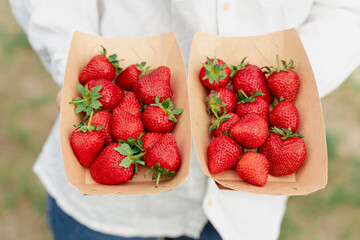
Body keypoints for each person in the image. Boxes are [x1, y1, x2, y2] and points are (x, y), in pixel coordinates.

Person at [9, 1, 360, 239]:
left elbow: (345, 8)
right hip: (109, 208)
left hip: (243, 212)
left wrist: (287, 82)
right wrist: (71, 65)